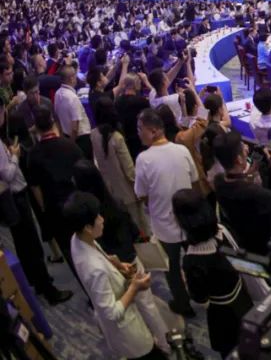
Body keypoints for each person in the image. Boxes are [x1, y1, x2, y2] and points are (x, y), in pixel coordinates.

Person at [65, 191, 168, 360]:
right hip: (127, 329)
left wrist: (116, 265)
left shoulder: (78, 239)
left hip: (124, 323)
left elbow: (98, 256)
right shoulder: (95, 269)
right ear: (87, 227)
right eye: (98, 217)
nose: (102, 219)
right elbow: (111, 312)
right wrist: (134, 287)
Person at [0, 103, 71, 304]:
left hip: (11, 199)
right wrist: (15, 156)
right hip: (16, 197)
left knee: (24, 244)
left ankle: (37, 281)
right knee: (31, 245)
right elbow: (7, 174)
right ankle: (48, 289)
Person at [172, 189, 253, 358]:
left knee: (231, 350)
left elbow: (200, 298)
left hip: (222, 313)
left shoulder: (193, 260)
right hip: (242, 296)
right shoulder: (224, 229)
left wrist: (187, 281)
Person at [133, 107, 197, 317]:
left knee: (172, 269)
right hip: (189, 220)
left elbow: (141, 194)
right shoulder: (182, 151)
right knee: (195, 260)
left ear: (153, 130)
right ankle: (201, 294)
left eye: (140, 128)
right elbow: (194, 180)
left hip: (163, 225)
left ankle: (183, 304)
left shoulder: (143, 159)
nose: (138, 133)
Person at [213, 129, 271, 255]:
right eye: (243, 148)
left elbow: (238, 181)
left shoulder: (219, 181)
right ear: (239, 159)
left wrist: (252, 169)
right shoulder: (253, 192)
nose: (247, 148)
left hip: (242, 237)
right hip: (264, 244)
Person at [26, 106, 85, 275]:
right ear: (53, 122)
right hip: (78, 202)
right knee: (88, 245)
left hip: (54, 208)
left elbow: (35, 187)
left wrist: (44, 208)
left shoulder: (33, 154)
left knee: (69, 250)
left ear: (36, 128)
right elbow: (83, 172)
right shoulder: (70, 145)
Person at [91, 96, 148, 235]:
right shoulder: (117, 137)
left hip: (110, 190)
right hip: (127, 190)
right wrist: (140, 188)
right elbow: (129, 169)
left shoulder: (93, 135)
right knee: (140, 227)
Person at [54, 65, 93, 158]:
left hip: (66, 135)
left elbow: (57, 117)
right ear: (71, 79)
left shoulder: (57, 93)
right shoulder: (73, 98)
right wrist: (71, 145)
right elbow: (75, 127)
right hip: (80, 139)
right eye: (75, 75)